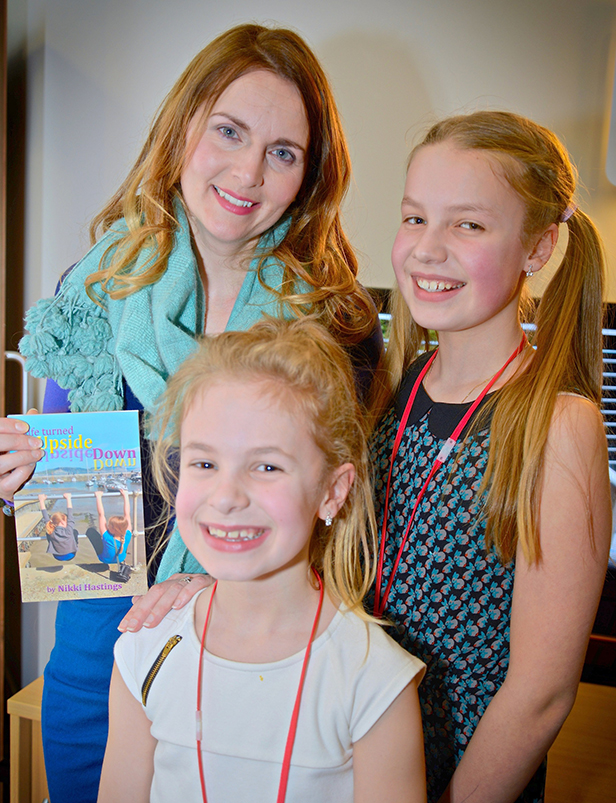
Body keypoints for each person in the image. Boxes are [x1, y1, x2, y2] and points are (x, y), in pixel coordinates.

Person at [1, 24, 382, 802]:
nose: (248, 170)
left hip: (254, 682)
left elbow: (343, 536)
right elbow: (78, 551)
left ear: (309, 178)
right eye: (230, 131)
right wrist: (28, 478)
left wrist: (219, 588)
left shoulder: (334, 321)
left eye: (284, 152)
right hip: (97, 666)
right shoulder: (95, 292)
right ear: (183, 132)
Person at [369, 111, 612, 803]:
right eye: (415, 218)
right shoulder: (392, 386)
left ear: (538, 245)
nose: (426, 249)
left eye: (468, 225)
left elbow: (540, 692)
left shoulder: (557, 426)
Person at [98, 318, 426, 803]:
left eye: (267, 466)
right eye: (204, 463)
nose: (227, 496)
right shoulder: (144, 653)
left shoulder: (373, 681)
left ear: (333, 492)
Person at [85, 489, 132, 564]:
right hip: (120, 559)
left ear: (114, 529)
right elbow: (127, 514)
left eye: (109, 525)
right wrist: (126, 496)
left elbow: (101, 514)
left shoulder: (107, 536)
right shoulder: (128, 534)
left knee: (90, 531)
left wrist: (98, 497)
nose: (107, 526)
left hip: (104, 559)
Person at [38, 491, 78, 560]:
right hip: (71, 555)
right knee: (75, 532)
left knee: (48, 532)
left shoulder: (51, 530)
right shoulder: (69, 530)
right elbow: (70, 513)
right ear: (62, 522)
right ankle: (73, 545)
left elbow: (45, 516)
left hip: (57, 556)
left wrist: (41, 500)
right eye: (66, 520)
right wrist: (68, 498)